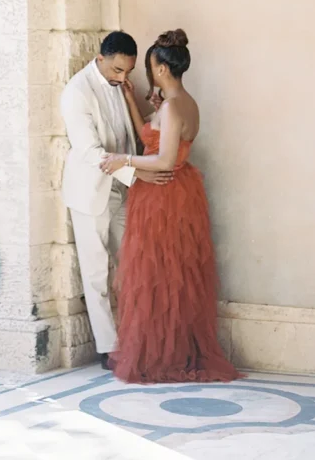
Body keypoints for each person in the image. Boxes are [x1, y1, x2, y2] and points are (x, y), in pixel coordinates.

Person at [100, 29, 240, 383]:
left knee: (160, 276)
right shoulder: (180, 102)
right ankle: (164, 351)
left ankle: (162, 356)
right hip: (170, 192)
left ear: (161, 69)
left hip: (164, 195)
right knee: (164, 274)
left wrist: (122, 159)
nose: (149, 74)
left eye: (150, 68)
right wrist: (133, 101)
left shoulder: (176, 106)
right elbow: (151, 134)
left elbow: (162, 160)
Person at [61, 32, 173, 370]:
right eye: (118, 70)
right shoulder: (77, 92)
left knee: (133, 264)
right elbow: (90, 151)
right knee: (96, 273)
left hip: (122, 190)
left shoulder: (120, 86)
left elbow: (128, 138)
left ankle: (139, 337)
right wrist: (137, 173)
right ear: (102, 57)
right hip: (90, 191)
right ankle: (109, 349)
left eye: (128, 71)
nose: (124, 78)